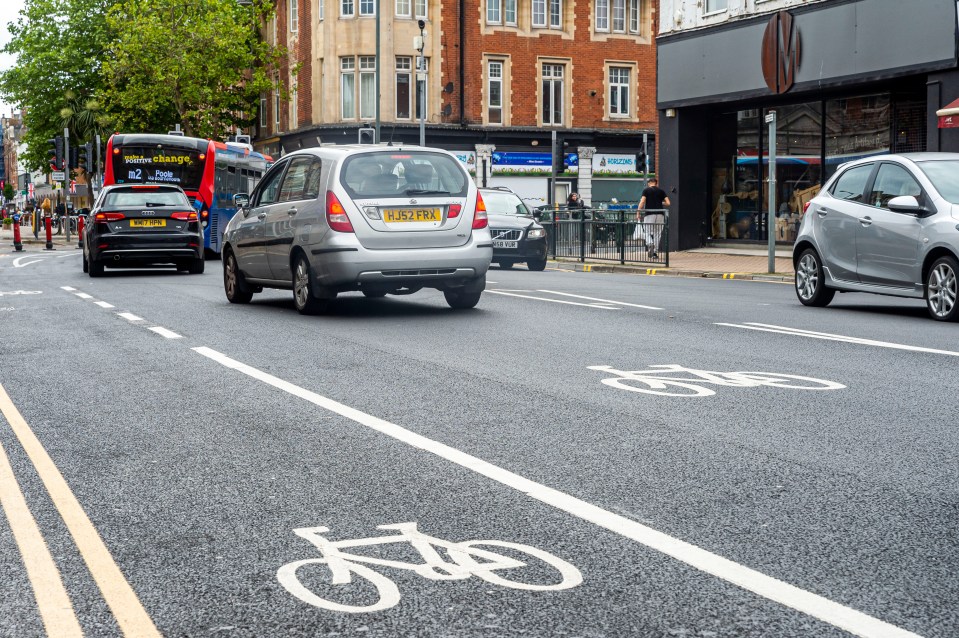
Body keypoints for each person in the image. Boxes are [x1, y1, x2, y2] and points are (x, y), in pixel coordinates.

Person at [637, 178, 670, 259]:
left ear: (649, 183)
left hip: (649, 214)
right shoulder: (661, 191)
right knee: (657, 233)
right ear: (656, 183)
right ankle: (654, 252)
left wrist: (638, 212)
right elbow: (668, 203)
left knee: (647, 231)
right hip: (660, 214)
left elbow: (642, 202)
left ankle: (650, 243)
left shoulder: (646, 190)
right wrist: (660, 202)